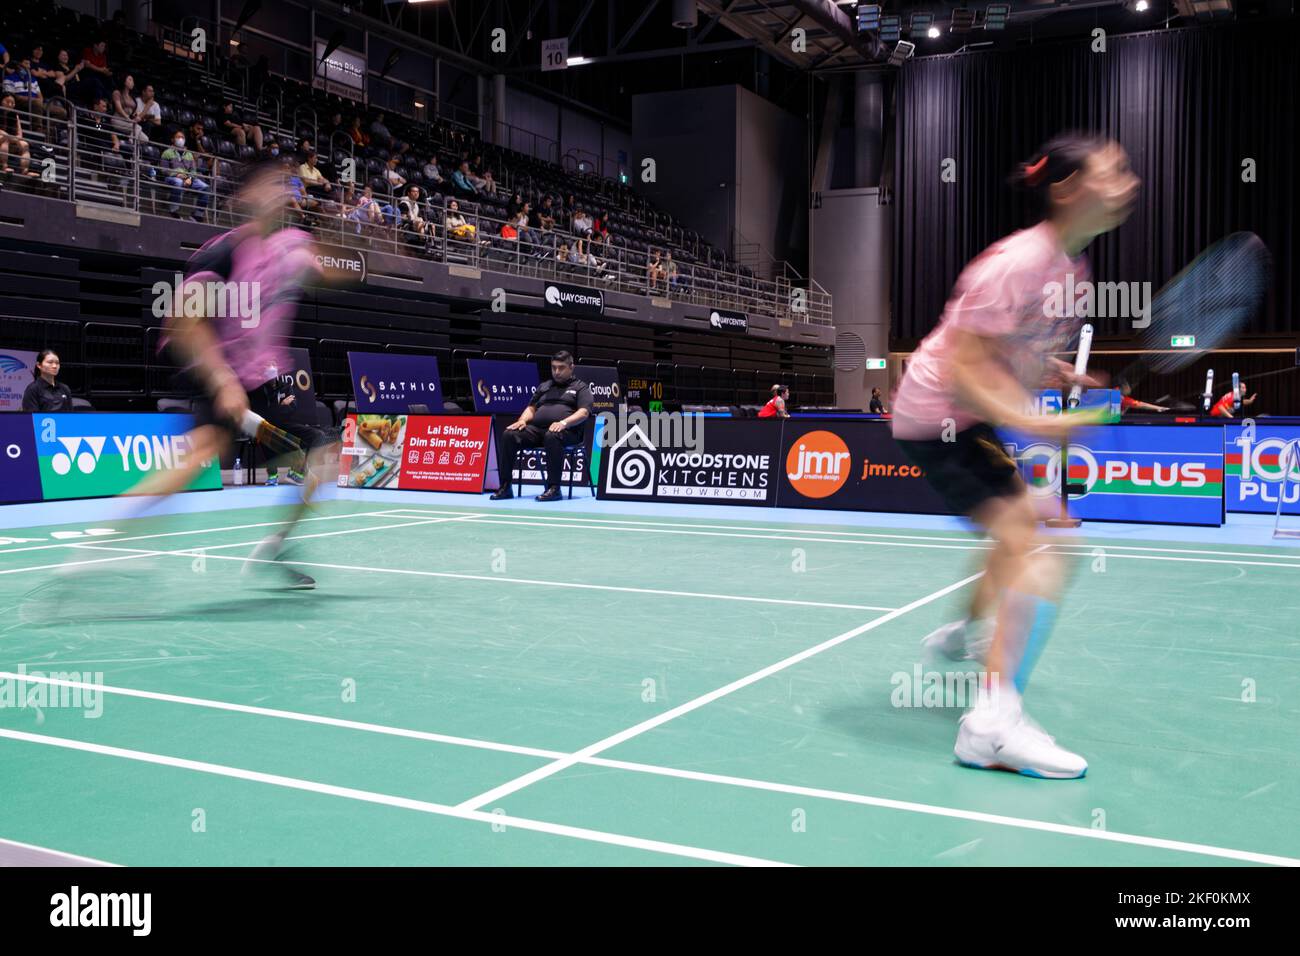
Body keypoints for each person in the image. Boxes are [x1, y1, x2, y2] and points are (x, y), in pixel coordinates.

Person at [891, 132, 1138, 779]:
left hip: (964, 417)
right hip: (937, 417)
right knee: (1047, 539)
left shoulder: (1072, 272)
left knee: (1020, 530)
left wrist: (1057, 375)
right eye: (1113, 171)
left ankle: (957, 635)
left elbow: (1013, 352)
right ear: (1066, 189)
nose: (1129, 182)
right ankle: (991, 727)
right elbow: (969, 363)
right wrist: (1033, 422)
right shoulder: (1019, 261)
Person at [128, 161, 331, 588]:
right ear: (243, 199)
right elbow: (182, 324)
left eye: (285, 183)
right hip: (221, 375)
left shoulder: (290, 247)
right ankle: (105, 544)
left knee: (324, 459)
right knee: (197, 455)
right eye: (270, 183)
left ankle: (275, 547)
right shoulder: (220, 254)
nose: (282, 190)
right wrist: (222, 380)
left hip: (267, 384)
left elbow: (326, 271)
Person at [492, 351, 593, 502]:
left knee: (552, 436)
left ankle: (554, 488)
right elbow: (531, 408)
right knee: (509, 434)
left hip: (567, 432)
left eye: (561, 368)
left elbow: (584, 412)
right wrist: (522, 420)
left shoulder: (580, 388)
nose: (557, 372)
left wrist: (563, 423)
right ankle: (505, 486)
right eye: (554, 368)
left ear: (571, 367)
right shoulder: (544, 386)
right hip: (538, 431)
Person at [161, 130, 210, 221]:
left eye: (182, 137)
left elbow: (193, 170)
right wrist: (177, 174)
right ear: (173, 140)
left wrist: (190, 178)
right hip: (172, 178)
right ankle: (173, 210)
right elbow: (164, 170)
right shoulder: (167, 152)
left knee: (206, 188)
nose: (180, 139)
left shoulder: (189, 154)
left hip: (187, 178)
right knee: (178, 182)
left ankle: (197, 215)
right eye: (178, 137)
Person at [0, 94, 36, 178]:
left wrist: (13, 138)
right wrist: (7, 136)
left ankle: (25, 171)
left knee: (24, 144)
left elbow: (19, 134)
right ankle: (3, 167)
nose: (10, 105)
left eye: (12, 103)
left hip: (9, 140)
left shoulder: (15, 116)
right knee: (4, 138)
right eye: (7, 102)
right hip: (3, 139)